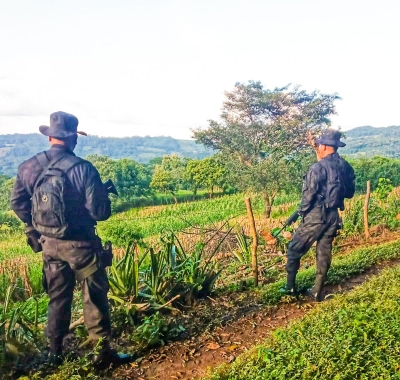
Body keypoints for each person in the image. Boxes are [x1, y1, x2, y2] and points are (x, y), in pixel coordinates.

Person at [10, 111, 130, 366]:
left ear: (51, 137)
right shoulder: (83, 169)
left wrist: (35, 228)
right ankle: (102, 353)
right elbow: (100, 212)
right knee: (94, 297)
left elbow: (17, 203)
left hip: (49, 246)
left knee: (57, 297)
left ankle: (54, 354)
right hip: (82, 246)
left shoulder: (27, 167)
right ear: (73, 138)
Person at [282, 129, 355, 301]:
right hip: (334, 216)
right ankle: (316, 289)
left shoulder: (317, 167)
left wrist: (302, 213)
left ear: (323, 146)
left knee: (294, 249)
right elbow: (350, 193)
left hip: (316, 216)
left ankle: (290, 287)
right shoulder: (346, 167)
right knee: (324, 252)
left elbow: (308, 197)